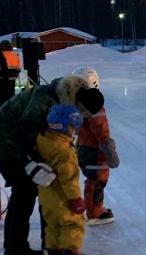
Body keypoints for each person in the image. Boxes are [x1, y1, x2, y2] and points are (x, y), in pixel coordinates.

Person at [0, 74, 103, 255]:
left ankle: (53, 246)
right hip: (6, 138)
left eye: (86, 116)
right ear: (77, 102)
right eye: (82, 112)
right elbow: (21, 133)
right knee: (24, 191)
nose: (82, 118)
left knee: (48, 189)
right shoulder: (47, 99)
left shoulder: (69, 104)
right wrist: (29, 164)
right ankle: (15, 249)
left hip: (30, 140)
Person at [72, 67, 120, 227]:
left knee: (93, 178)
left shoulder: (75, 103)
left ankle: (93, 209)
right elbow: (101, 129)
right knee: (97, 179)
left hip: (82, 147)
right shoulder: (94, 104)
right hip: (94, 149)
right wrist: (109, 150)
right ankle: (95, 212)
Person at [37, 104, 86, 255]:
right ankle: (71, 250)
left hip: (45, 195)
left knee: (52, 223)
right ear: (68, 127)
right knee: (73, 222)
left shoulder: (42, 139)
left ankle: (54, 249)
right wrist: (75, 199)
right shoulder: (65, 152)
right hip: (62, 196)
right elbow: (69, 179)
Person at [0, 39, 21, 107]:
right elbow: (18, 69)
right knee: (11, 98)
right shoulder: (15, 56)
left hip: (2, 80)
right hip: (12, 80)